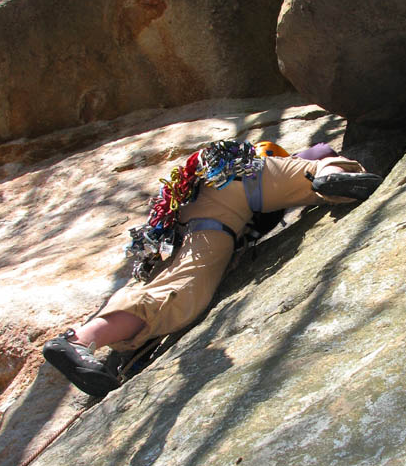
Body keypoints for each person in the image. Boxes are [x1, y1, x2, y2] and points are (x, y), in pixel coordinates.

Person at [43, 140, 381, 397]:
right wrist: (324, 164)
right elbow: (308, 161)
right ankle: (334, 176)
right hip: (236, 183)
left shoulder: (228, 171)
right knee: (187, 290)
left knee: (160, 280)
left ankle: (93, 340)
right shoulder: (280, 161)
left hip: (184, 210)